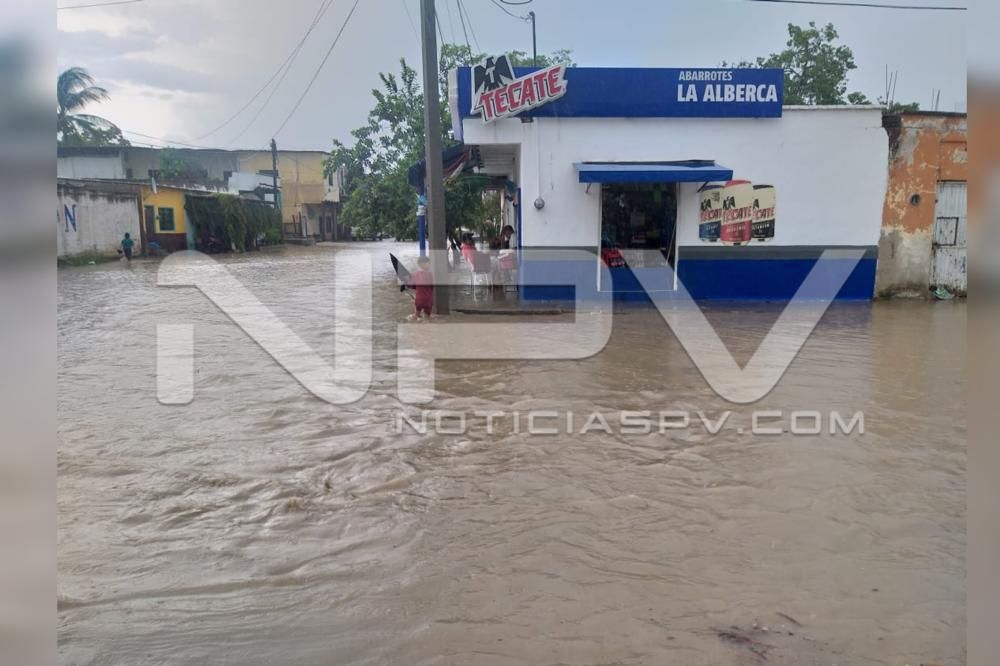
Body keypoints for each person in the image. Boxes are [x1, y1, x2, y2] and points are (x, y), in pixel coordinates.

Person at [408, 255, 434, 320]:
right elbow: (432, 285)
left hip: (418, 299)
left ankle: (413, 320)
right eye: (429, 263)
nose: (430, 265)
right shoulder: (429, 274)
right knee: (427, 316)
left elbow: (411, 285)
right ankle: (426, 326)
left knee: (417, 313)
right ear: (423, 264)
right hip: (428, 299)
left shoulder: (414, 274)